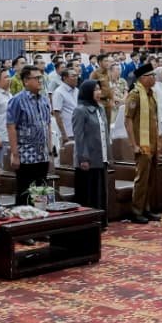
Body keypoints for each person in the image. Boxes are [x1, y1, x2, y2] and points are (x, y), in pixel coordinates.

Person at [7, 65, 53, 205]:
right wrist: (15, 154)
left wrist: (50, 150)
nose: (40, 81)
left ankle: (40, 216)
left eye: (41, 77)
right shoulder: (17, 100)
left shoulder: (44, 99)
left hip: (42, 155)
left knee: (41, 192)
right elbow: (11, 126)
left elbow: (48, 125)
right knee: (25, 193)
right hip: (26, 155)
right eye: (37, 78)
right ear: (26, 81)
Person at [123, 64, 161, 224]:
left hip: (152, 143)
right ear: (142, 78)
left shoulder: (151, 95)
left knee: (151, 178)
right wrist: (134, 144)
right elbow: (128, 121)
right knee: (142, 179)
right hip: (141, 143)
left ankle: (146, 208)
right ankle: (136, 210)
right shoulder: (135, 95)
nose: (154, 78)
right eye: (151, 75)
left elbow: (155, 120)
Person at [71, 79, 109, 222]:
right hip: (87, 160)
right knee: (88, 194)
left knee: (100, 192)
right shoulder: (80, 110)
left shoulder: (100, 109)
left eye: (99, 89)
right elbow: (79, 137)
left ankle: (101, 221)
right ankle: (88, 223)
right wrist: (83, 158)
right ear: (87, 92)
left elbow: (105, 134)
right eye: (95, 90)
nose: (98, 92)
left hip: (101, 157)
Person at [51, 68, 79, 147]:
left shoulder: (77, 91)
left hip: (78, 130)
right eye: (73, 76)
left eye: (77, 76)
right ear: (65, 78)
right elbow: (57, 114)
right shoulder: (59, 92)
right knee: (68, 153)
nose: (76, 78)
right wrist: (63, 134)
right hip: (68, 132)